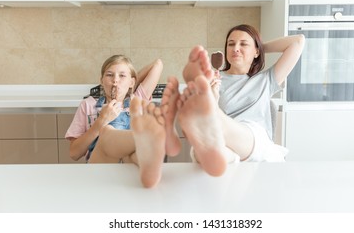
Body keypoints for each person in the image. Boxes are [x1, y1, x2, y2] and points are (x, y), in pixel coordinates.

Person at [129, 24, 305, 180]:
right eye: (231, 44)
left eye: (243, 44)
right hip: (225, 144)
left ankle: (204, 126)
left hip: (252, 138)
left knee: (212, 125)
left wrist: (259, 46)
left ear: (257, 52)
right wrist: (212, 93)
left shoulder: (267, 79)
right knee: (203, 152)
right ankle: (200, 141)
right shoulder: (214, 78)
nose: (235, 48)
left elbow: (297, 41)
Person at [65, 55, 163, 165]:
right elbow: (74, 154)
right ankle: (143, 138)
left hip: (128, 168)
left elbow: (157, 64)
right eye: (109, 75)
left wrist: (129, 85)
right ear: (101, 81)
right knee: (107, 130)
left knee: (132, 156)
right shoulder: (88, 105)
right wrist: (101, 121)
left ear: (132, 82)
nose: (115, 80)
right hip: (99, 168)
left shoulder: (136, 101)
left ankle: (142, 148)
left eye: (122, 76)